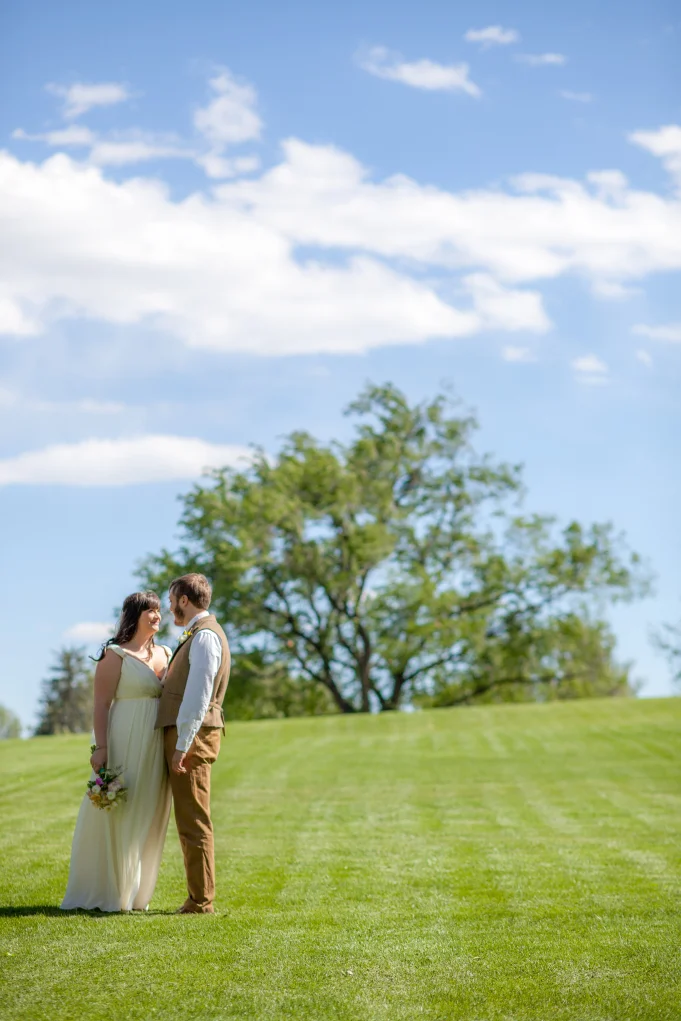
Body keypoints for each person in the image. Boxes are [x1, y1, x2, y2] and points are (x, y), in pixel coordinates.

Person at [61, 592, 172, 912]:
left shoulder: (166, 653)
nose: (157, 615)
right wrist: (102, 747)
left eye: (158, 610)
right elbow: (101, 704)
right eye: (150, 610)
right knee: (120, 811)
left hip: (156, 744)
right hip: (124, 741)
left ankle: (136, 894)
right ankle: (109, 890)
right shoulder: (115, 655)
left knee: (149, 812)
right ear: (134, 615)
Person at [156, 573, 231, 914]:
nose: (169, 606)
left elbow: (198, 697)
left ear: (184, 600)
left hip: (193, 738)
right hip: (189, 736)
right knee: (189, 818)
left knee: (193, 819)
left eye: (172, 600)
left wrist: (182, 745)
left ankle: (201, 901)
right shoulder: (199, 634)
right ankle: (198, 897)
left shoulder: (205, 637)